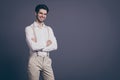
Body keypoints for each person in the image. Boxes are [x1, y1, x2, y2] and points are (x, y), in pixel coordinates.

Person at [25, 4, 57, 80]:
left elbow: (55, 46)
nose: (43, 16)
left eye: (45, 14)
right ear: (36, 13)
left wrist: (39, 46)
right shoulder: (29, 28)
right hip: (34, 60)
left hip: (46, 60)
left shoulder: (49, 29)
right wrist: (46, 43)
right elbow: (33, 47)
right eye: (41, 13)